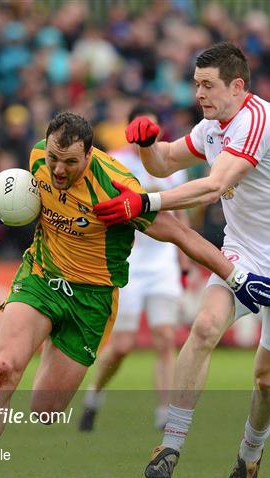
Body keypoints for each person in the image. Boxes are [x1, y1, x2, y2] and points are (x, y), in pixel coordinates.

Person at [0, 111, 270, 478]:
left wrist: (236, 277)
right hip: (41, 277)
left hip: (92, 300)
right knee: (5, 368)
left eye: (70, 162)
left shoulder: (117, 188)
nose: (58, 169)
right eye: (55, 157)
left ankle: (52, 339)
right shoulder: (38, 158)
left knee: (45, 410)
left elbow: (177, 232)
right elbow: (20, 194)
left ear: (89, 155)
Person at [94, 42, 270, 478]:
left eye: (208, 85)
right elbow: (164, 161)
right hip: (242, 253)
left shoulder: (259, 121)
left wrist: (146, 201)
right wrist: (144, 146)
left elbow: (214, 185)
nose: (198, 93)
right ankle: (171, 444)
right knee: (203, 327)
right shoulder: (212, 126)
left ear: (237, 87)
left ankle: (250, 453)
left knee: (266, 378)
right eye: (196, 84)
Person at [79, 104, 191, 432]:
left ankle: (163, 414)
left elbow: (180, 216)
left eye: (153, 129)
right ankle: (94, 395)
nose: (149, 136)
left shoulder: (172, 166)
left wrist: (184, 264)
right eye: (143, 128)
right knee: (123, 346)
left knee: (165, 337)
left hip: (162, 263)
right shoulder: (114, 163)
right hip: (128, 262)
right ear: (131, 131)